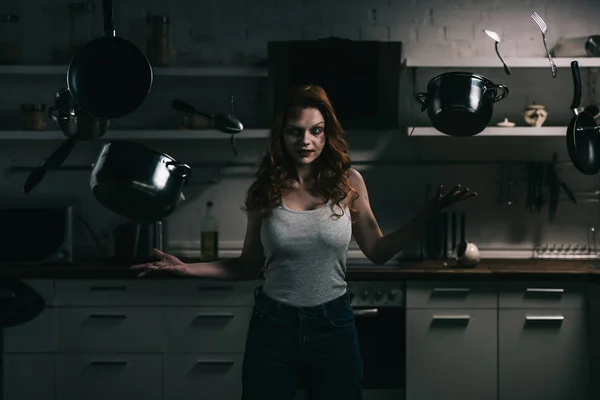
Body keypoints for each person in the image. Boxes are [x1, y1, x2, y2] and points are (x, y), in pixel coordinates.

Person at [131, 85, 477, 399]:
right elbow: (248, 265)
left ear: (327, 135)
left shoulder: (348, 183)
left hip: (334, 328)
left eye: (315, 131)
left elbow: (378, 250)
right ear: (282, 136)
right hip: (273, 329)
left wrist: (425, 218)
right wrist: (187, 269)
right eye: (295, 132)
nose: (305, 141)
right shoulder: (265, 189)